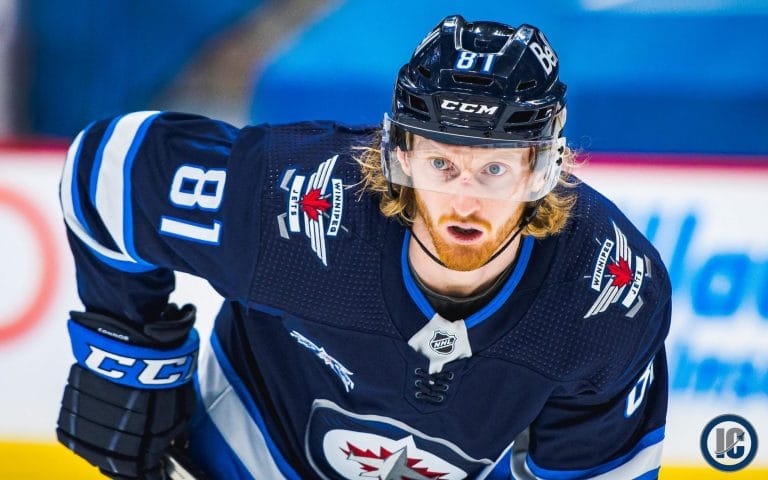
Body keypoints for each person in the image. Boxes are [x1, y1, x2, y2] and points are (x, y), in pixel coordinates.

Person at [56, 14, 670, 480]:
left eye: (494, 170)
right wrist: (131, 361)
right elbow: (107, 170)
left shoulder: (609, 293)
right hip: (244, 453)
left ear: (543, 171)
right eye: (441, 163)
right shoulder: (295, 207)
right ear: (399, 154)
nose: (464, 202)